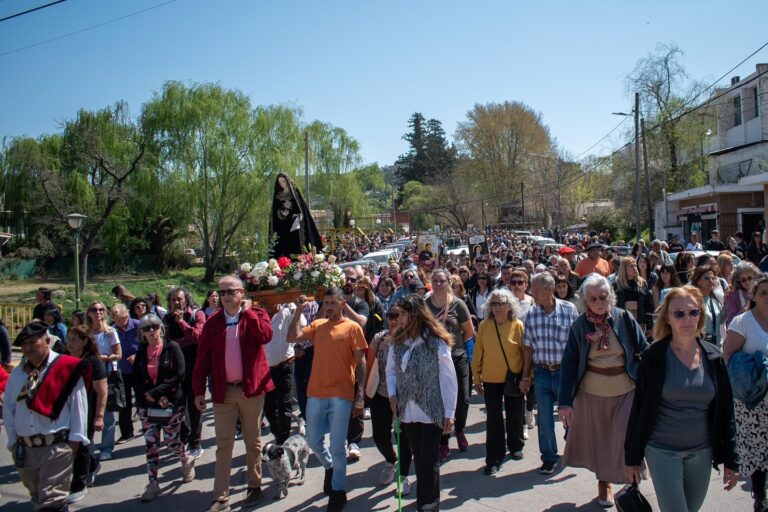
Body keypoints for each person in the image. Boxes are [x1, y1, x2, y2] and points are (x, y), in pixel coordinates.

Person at [624, 286, 739, 512]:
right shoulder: (653, 356)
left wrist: (732, 460)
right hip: (662, 450)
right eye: (679, 313)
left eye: (693, 312)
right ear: (667, 317)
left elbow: (726, 411)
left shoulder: (713, 356)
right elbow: (639, 409)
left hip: (702, 452)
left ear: (701, 315)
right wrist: (632, 457)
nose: (687, 318)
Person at [559, 274, 650, 507]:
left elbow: (644, 349)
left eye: (603, 297)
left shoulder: (624, 318)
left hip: (626, 390)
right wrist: (565, 403)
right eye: (593, 299)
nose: (599, 302)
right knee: (601, 443)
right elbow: (569, 364)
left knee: (625, 439)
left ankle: (632, 486)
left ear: (611, 297)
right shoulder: (580, 326)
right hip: (592, 394)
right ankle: (604, 482)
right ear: (585, 301)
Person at [192, 276, 274, 512]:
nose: (226, 296)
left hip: (251, 391)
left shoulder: (257, 314)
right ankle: (220, 496)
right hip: (223, 392)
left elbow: (265, 336)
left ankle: (254, 485)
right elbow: (202, 359)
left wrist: (247, 313)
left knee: (252, 441)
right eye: (223, 292)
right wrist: (198, 390)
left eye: (231, 291)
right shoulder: (212, 323)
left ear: (242, 293)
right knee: (223, 444)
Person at [287, 287, 367, 512]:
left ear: (342, 303)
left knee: (338, 445)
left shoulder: (353, 327)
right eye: (326, 302)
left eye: (333, 302)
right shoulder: (318, 325)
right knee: (313, 441)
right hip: (316, 392)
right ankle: (330, 467)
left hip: (342, 394)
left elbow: (361, 362)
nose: (329, 306)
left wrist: (360, 397)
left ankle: (338, 491)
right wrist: (299, 311)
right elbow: (292, 337)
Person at [3, 321, 89, 512]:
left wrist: (74, 443)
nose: (28, 348)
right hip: (26, 449)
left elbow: (79, 407)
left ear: (47, 341)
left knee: (51, 502)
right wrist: (13, 441)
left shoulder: (66, 367)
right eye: (24, 344)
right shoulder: (18, 373)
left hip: (56, 447)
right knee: (38, 497)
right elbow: (9, 410)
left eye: (33, 342)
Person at [386, 294, 457, 512]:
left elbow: (448, 378)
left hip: (431, 410)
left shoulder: (436, 341)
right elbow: (391, 370)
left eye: (404, 314)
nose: (400, 319)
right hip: (407, 411)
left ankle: (428, 506)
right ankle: (423, 502)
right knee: (419, 457)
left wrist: (450, 412)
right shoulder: (397, 341)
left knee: (428, 460)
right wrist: (392, 394)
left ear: (415, 315)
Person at [521, 272, 579, 474]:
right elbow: (528, 347)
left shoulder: (569, 310)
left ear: (550, 290)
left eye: (535, 290)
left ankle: (572, 448)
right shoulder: (531, 314)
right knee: (544, 419)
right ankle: (549, 457)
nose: (532, 294)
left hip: (565, 373)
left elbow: (577, 344)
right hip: (543, 372)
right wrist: (526, 376)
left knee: (570, 417)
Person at [134, 313, 195, 502]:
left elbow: (179, 374)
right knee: (151, 445)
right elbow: (136, 379)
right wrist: (148, 396)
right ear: (142, 333)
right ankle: (153, 483)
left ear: (161, 328)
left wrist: (159, 394)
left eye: (154, 327)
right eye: (146, 328)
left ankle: (185, 459)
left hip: (171, 404)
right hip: (148, 405)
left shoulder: (172, 347)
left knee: (171, 441)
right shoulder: (141, 352)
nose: (151, 331)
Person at [723, 276, 768, 511]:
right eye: (763, 293)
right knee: (759, 451)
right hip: (753, 400)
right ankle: (760, 497)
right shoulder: (743, 322)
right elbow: (728, 355)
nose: (767, 297)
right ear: (754, 296)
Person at [472, 289, 526, 475]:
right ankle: (494, 458)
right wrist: (476, 377)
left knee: (515, 413)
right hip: (491, 378)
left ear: (510, 305)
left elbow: (525, 353)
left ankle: (516, 444)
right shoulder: (485, 326)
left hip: (514, 377)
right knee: (493, 419)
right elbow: (478, 352)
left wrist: (528, 377)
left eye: (501, 303)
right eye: (494, 304)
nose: (498, 307)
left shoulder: (518, 325)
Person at [425, 269, 475, 460]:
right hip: (435, 360)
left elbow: (469, 332)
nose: (438, 284)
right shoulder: (425, 306)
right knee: (442, 400)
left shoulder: (458, 304)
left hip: (457, 357)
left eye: (442, 281)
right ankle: (444, 440)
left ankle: (459, 429)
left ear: (448, 283)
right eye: (435, 281)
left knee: (463, 397)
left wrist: (454, 345)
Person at [364, 304, 414, 493]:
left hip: (403, 397)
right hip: (381, 393)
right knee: (379, 436)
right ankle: (390, 460)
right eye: (390, 316)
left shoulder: (410, 339)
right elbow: (369, 365)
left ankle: (403, 476)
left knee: (402, 437)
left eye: (397, 316)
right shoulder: (380, 338)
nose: (393, 320)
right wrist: (363, 394)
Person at [65, 325, 108, 504]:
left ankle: (79, 485)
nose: (70, 343)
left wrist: (99, 416)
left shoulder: (93, 361)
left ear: (84, 342)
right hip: (67, 409)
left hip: (87, 410)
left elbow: (102, 391)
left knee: (81, 445)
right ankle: (93, 465)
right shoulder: (64, 358)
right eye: (69, 339)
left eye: (75, 340)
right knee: (72, 443)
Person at [164, 286, 206, 459]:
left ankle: (196, 443)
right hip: (174, 371)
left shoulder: (197, 315)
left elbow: (198, 336)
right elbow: (165, 342)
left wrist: (181, 322)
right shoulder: (166, 318)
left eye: (179, 299)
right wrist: (183, 341)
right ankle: (184, 439)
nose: (176, 303)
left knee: (195, 407)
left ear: (186, 300)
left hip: (194, 368)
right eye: (173, 300)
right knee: (177, 407)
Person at [263, 302, 303, 446]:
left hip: (284, 364)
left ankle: (283, 440)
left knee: (284, 403)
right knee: (268, 406)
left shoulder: (288, 311)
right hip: (265, 368)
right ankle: (277, 433)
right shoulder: (257, 314)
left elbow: (301, 326)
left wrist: (297, 310)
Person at [86, 301, 121, 461]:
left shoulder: (110, 332)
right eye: (94, 309)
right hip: (88, 375)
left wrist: (103, 358)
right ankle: (89, 447)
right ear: (89, 313)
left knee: (107, 414)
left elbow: (118, 354)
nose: (98, 312)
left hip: (106, 373)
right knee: (88, 412)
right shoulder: (85, 333)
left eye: (101, 309)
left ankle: (106, 447)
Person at [269, 172, 322, 258]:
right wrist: (281, 214)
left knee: (297, 246)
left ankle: (301, 262)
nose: (282, 184)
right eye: (280, 182)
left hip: (296, 226)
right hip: (284, 227)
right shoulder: (278, 196)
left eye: (283, 181)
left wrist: (299, 215)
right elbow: (276, 212)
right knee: (285, 246)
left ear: (287, 180)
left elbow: (302, 209)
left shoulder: (295, 193)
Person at [110, 303, 140, 445]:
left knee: (143, 399)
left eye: (120, 319)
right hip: (122, 371)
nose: (117, 323)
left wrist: (138, 356)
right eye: (115, 320)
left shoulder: (138, 325)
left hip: (138, 369)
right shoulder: (113, 330)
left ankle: (150, 428)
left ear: (126, 316)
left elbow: (149, 345)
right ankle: (127, 432)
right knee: (123, 403)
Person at [614, 256, 654, 336]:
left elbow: (649, 305)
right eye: (631, 266)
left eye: (635, 265)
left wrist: (649, 326)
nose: (635, 268)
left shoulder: (642, 283)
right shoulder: (617, 285)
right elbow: (613, 306)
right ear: (624, 268)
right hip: (623, 321)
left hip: (640, 320)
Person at [691, 265, 724, 346]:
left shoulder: (716, 299)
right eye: (707, 278)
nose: (711, 281)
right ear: (698, 281)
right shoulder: (693, 301)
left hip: (718, 347)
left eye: (713, 278)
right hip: (701, 347)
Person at [725, 262, 761, 326]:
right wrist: (743, 310)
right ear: (738, 282)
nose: (747, 282)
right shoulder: (733, 296)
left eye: (750, 278)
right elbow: (730, 323)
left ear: (755, 277)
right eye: (743, 280)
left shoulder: (762, 292)